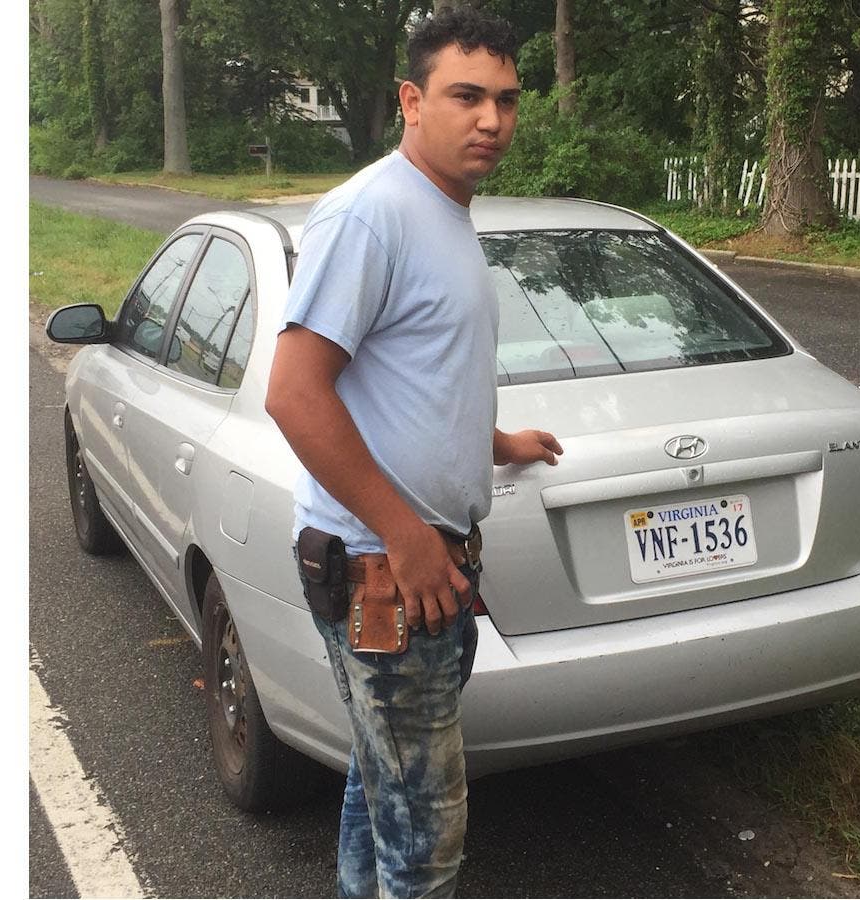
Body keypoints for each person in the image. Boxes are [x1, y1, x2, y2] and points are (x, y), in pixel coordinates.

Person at [264, 7, 562, 898]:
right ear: (411, 100)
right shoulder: (372, 214)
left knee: (380, 782)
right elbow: (295, 393)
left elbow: (415, 375)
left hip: (418, 565)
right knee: (426, 839)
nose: (492, 120)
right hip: (383, 572)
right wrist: (404, 533)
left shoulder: (444, 211)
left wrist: (495, 441)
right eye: (467, 96)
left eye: (507, 99)